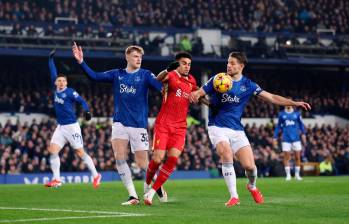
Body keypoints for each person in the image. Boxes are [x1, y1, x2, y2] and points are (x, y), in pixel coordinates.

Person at [189, 52, 311, 207]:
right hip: (217, 126)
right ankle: (234, 196)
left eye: (233, 63)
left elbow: (272, 98)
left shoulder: (248, 85)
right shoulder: (218, 79)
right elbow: (200, 93)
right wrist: (195, 95)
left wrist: (295, 103)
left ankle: (252, 186)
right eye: (228, 62)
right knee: (226, 153)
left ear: (241, 66)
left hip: (237, 129)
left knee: (250, 167)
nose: (229, 65)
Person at [72, 43, 167, 205]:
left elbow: (162, 89)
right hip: (119, 124)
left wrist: (167, 83)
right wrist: (81, 62)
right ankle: (133, 195)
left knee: (143, 165)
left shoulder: (146, 75)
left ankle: (158, 187)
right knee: (119, 158)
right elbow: (94, 76)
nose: (139, 59)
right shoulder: (117, 74)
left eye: (140, 57)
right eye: (136, 56)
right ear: (127, 57)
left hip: (139, 125)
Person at [143, 52, 206, 205]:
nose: (187, 66)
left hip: (180, 127)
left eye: (189, 64)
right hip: (164, 124)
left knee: (172, 159)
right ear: (177, 64)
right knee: (157, 159)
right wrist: (166, 69)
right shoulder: (171, 75)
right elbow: (158, 79)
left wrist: (211, 105)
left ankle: (151, 192)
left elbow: (199, 93)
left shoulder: (191, 80)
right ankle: (147, 184)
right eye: (184, 63)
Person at [45, 50, 101, 188]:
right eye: (59, 80)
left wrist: (87, 111)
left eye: (63, 80)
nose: (61, 82)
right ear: (56, 82)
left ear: (66, 82)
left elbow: (82, 101)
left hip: (72, 127)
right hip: (61, 127)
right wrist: (50, 59)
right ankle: (57, 179)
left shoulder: (70, 92)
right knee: (52, 151)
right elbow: (53, 70)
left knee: (80, 152)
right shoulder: (56, 87)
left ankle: (96, 175)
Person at [273, 105, 307, 181]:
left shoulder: (297, 113)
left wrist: (304, 134)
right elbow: (278, 126)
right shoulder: (281, 114)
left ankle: (297, 175)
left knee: (297, 157)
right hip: (286, 139)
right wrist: (275, 136)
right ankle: (288, 175)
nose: (288, 104)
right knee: (286, 157)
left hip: (296, 138)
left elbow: (301, 124)